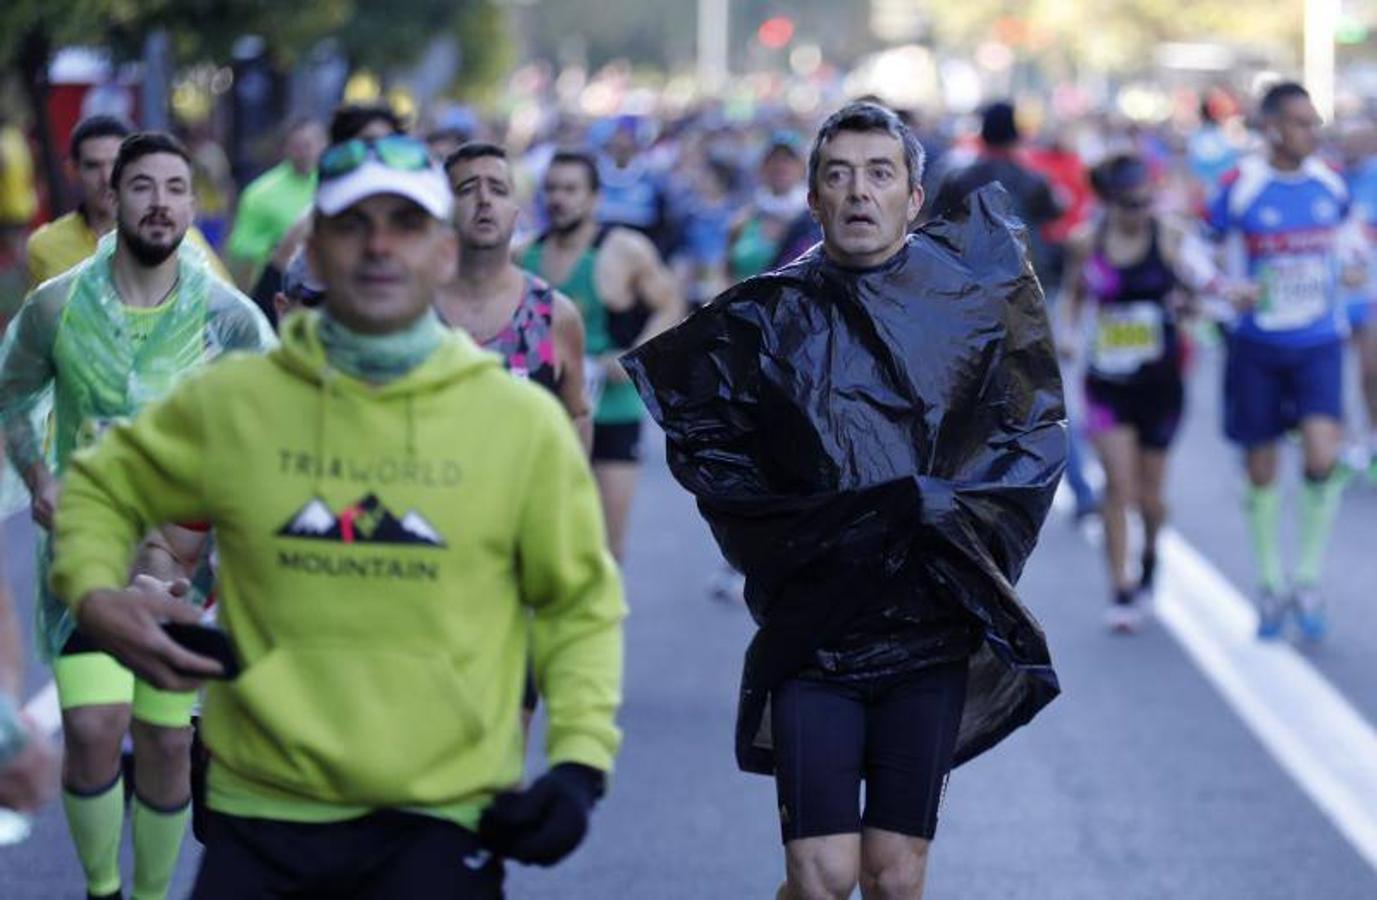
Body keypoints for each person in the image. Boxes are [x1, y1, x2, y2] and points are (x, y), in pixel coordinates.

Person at [50, 133, 625, 897]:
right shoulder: (237, 402)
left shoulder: (518, 421)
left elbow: (578, 603)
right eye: (353, 224)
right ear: (316, 247)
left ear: (444, 252)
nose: (379, 246)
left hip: (438, 817)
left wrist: (580, 764)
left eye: (406, 223)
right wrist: (96, 596)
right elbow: (97, 488)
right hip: (260, 816)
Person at [624, 102, 1064, 900]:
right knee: (821, 876)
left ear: (912, 199)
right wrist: (805, 534)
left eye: (878, 174)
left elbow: (1026, 437)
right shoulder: (765, 317)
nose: (858, 192)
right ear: (814, 199)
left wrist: (945, 516)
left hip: (926, 630)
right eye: (838, 175)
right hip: (815, 631)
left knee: (892, 878)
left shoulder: (967, 308)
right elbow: (706, 443)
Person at [0, 131, 275, 900]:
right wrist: (35, 475)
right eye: (144, 187)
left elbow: (276, 423)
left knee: (159, 737)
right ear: (113, 201)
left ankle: (150, 894)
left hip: (186, 554)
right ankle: (102, 890)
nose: (162, 203)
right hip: (85, 548)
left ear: (193, 205)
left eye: (177, 188)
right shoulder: (55, 306)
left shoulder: (229, 317)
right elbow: (12, 392)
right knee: (91, 728)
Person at [1205, 81, 1362, 640]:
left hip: (1319, 341)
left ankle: (1308, 577)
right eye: (1302, 123)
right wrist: (1225, 287)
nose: (1313, 133)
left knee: (1323, 455)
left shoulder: (1329, 183)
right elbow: (1201, 246)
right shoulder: (1240, 187)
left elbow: (1351, 242)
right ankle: (1271, 582)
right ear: (1272, 128)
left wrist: (1352, 265)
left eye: (1315, 123)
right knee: (1262, 467)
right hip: (1257, 346)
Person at [1060, 154, 1208, 631]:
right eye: (1130, 203)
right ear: (1110, 203)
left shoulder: (1170, 238)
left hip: (1161, 384)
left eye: (1147, 201)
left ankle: (1149, 557)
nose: (1141, 211)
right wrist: (1067, 332)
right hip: (1107, 385)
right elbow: (1072, 296)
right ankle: (1120, 590)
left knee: (1151, 497)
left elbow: (1202, 288)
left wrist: (1190, 306)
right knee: (1117, 488)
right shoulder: (1087, 242)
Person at [521, 149, 682, 561]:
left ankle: (602, 621)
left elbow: (671, 304)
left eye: (571, 189)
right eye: (552, 189)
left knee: (606, 547)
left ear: (593, 198)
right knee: (544, 538)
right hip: (547, 411)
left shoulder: (624, 249)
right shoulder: (526, 255)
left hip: (611, 410)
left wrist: (634, 356)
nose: (559, 198)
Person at [439, 141, 591, 451]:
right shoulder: (411, 309)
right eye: (467, 189)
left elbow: (576, 419)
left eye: (498, 189)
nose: (484, 200)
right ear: (443, 208)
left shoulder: (553, 315)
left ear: (516, 211)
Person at [26, 115, 228, 289]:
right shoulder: (45, 246)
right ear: (72, 171)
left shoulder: (179, 241)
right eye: (93, 166)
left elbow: (228, 314)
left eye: (115, 163)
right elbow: (37, 325)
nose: (106, 178)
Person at [225, 117, 326, 290]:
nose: (304, 152)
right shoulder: (260, 193)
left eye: (310, 145)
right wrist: (279, 246)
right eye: (297, 146)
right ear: (286, 148)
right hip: (279, 288)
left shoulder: (335, 184)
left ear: (324, 145)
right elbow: (240, 246)